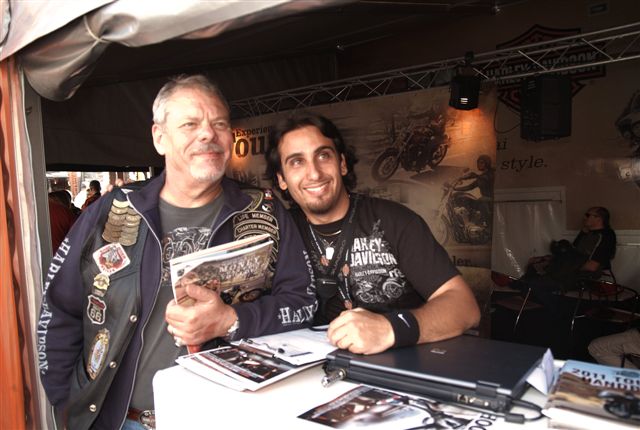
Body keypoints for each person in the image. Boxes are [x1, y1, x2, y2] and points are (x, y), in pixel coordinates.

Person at [38, 75, 315, 430]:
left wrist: (231, 320)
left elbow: (304, 304)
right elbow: (59, 308)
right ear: (159, 137)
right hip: (121, 422)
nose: (208, 134)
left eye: (219, 124)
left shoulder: (265, 211)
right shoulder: (112, 211)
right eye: (190, 124)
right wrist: (66, 401)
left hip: (228, 419)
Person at [265, 113, 480, 355]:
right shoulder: (277, 231)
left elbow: (464, 306)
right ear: (281, 179)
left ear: (342, 164)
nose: (314, 173)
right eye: (297, 162)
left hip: (397, 366)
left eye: (323, 156)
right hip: (307, 367)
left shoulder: (395, 220)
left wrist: (391, 328)